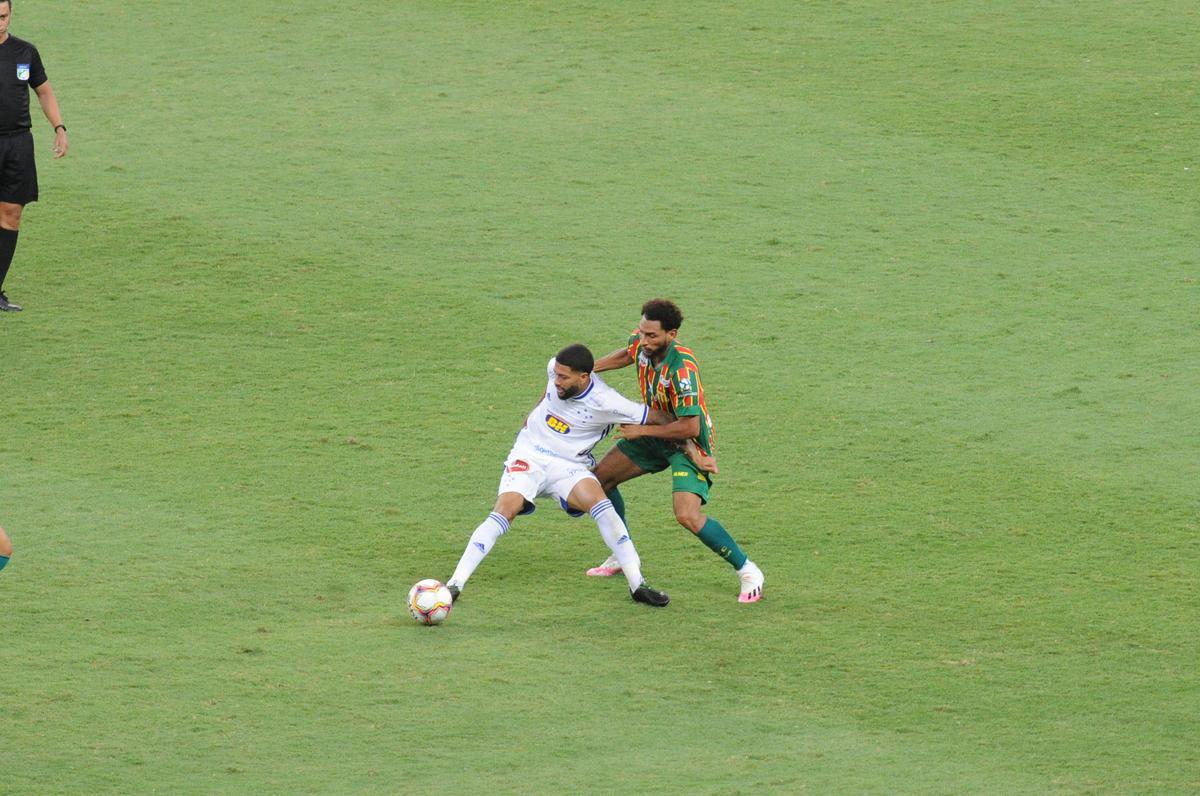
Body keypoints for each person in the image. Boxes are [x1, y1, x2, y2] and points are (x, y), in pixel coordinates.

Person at [446, 344, 676, 607]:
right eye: (555, 374)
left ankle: (638, 585)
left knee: (602, 506)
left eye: (564, 377)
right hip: (529, 455)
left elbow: (662, 418)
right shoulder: (554, 370)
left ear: (584, 377)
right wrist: (533, 413)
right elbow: (547, 393)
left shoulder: (607, 402)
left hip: (569, 466)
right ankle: (455, 584)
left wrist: (690, 435)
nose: (556, 381)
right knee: (504, 510)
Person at [582, 298, 765, 603]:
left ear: (672, 334)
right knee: (598, 482)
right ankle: (622, 553)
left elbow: (690, 427)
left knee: (686, 515)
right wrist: (588, 369)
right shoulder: (642, 343)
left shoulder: (682, 371)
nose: (643, 341)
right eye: (641, 332)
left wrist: (641, 430)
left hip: (687, 443)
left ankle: (747, 570)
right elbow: (627, 353)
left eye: (651, 336)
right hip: (654, 431)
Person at [0, 0, 69, 312]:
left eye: (3, 16)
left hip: (18, 145)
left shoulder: (25, 52)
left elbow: (44, 91)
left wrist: (59, 126)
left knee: (11, 214)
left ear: (11, 14)